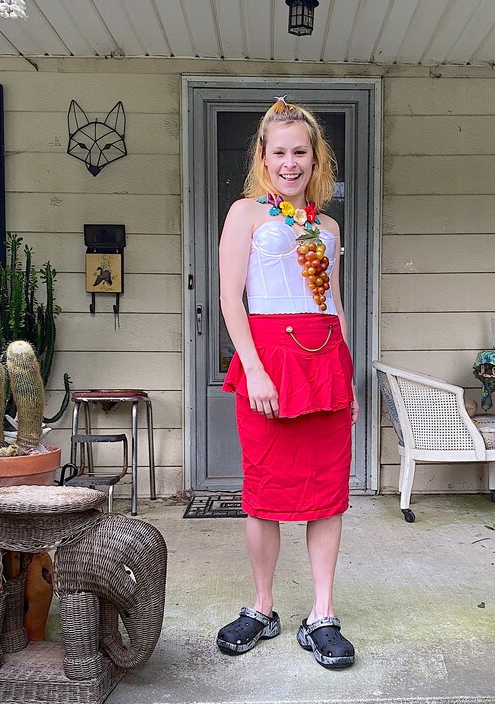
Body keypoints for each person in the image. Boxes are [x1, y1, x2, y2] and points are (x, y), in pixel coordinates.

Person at [216, 97, 358, 669]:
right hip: (269, 360)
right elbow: (230, 297)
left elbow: (334, 303)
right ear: (264, 156)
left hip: (325, 363)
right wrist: (253, 368)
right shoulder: (246, 214)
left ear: (314, 156)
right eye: (280, 152)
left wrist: (345, 380)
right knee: (266, 494)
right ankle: (262, 607)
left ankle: (321, 613)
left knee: (326, 495)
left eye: (301, 151)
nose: (291, 162)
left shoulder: (328, 224)